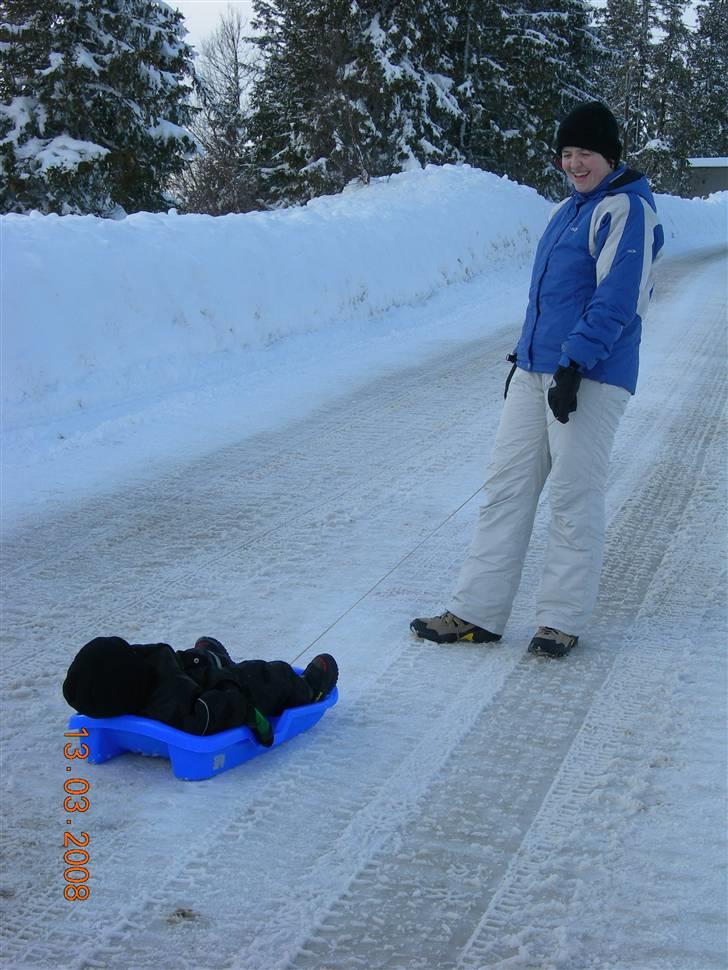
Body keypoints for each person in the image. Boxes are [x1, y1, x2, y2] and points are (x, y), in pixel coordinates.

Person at [411, 101, 664, 658]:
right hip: (534, 372)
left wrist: (573, 365)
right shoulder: (567, 211)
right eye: (567, 154)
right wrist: (532, 359)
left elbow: (619, 298)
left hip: (589, 377)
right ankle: (476, 612)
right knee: (505, 489)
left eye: (586, 154)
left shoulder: (625, 209)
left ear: (610, 155)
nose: (575, 164)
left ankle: (559, 620)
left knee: (574, 496)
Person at [63, 635, 338, 746]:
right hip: (219, 690)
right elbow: (215, 712)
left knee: (200, 658)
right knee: (265, 676)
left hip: (187, 672)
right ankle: (307, 688)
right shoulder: (173, 705)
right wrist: (251, 714)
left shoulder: (138, 681)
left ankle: (214, 660)